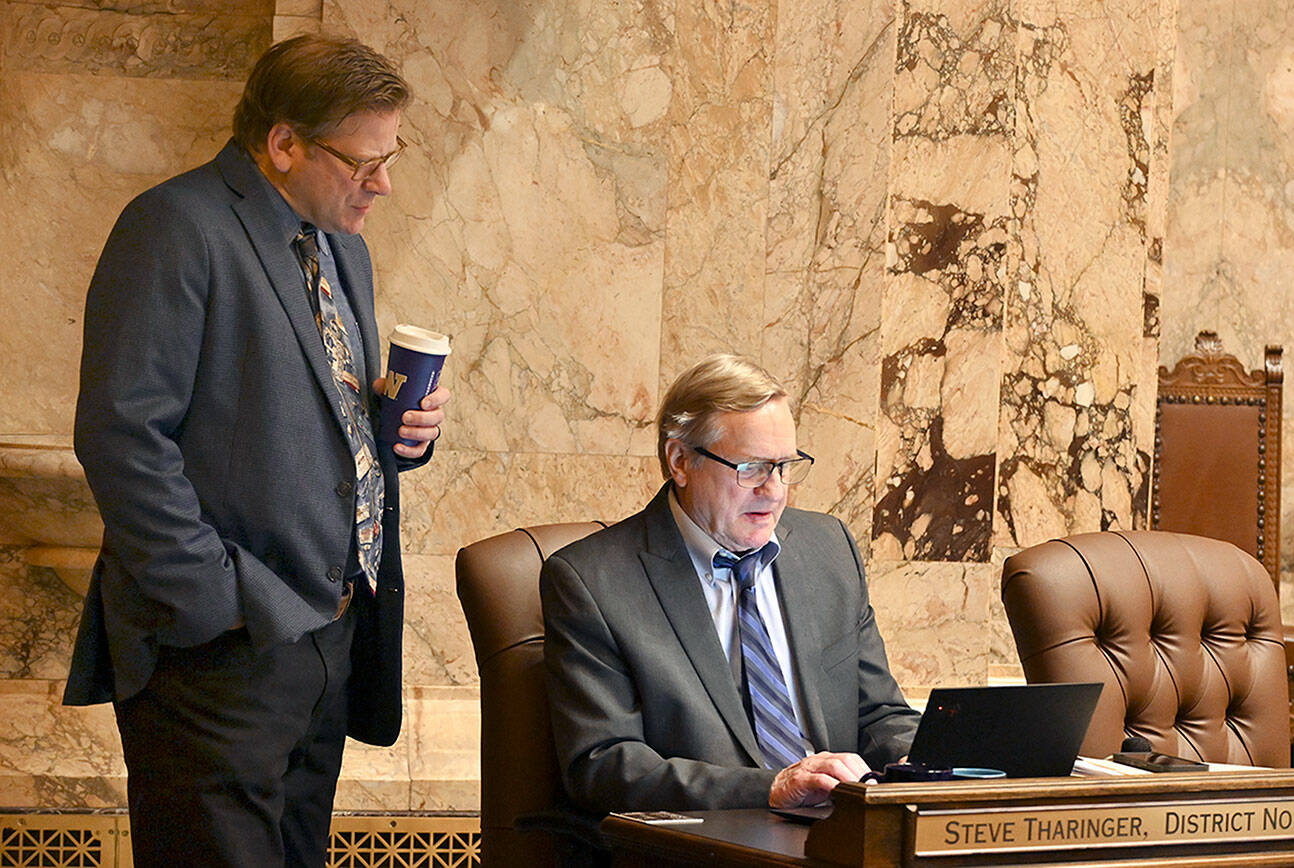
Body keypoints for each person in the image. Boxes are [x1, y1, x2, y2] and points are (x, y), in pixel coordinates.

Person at [62, 34, 448, 867]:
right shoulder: (173, 226)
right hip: (220, 652)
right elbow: (122, 436)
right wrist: (215, 602)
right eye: (364, 162)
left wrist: (397, 433)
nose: (383, 184)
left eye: (391, 157)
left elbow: (303, 413)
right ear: (283, 143)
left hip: (328, 639)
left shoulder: (341, 244)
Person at [541, 354, 919, 813]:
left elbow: (879, 713)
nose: (774, 491)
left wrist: (920, 764)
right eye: (751, 468)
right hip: (707, 835)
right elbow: (603, 765)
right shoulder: (592, 582)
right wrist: (770, 789)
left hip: (841, 828)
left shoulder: (828, 550)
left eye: (784, 466)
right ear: (680, 461)